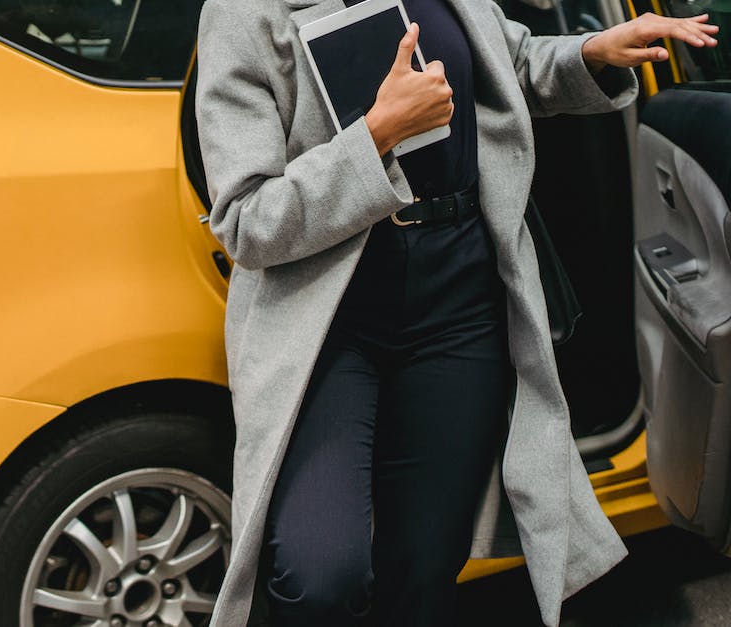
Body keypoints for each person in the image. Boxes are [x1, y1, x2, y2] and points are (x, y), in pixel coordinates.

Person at [192, 0, 718, 625]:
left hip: (460, 297)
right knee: (320, 574)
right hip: (328, 317)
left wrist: (591, 51)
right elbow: (247, 220)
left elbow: (508, 65)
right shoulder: (243, 12)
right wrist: (376, 136)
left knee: (426, 565)